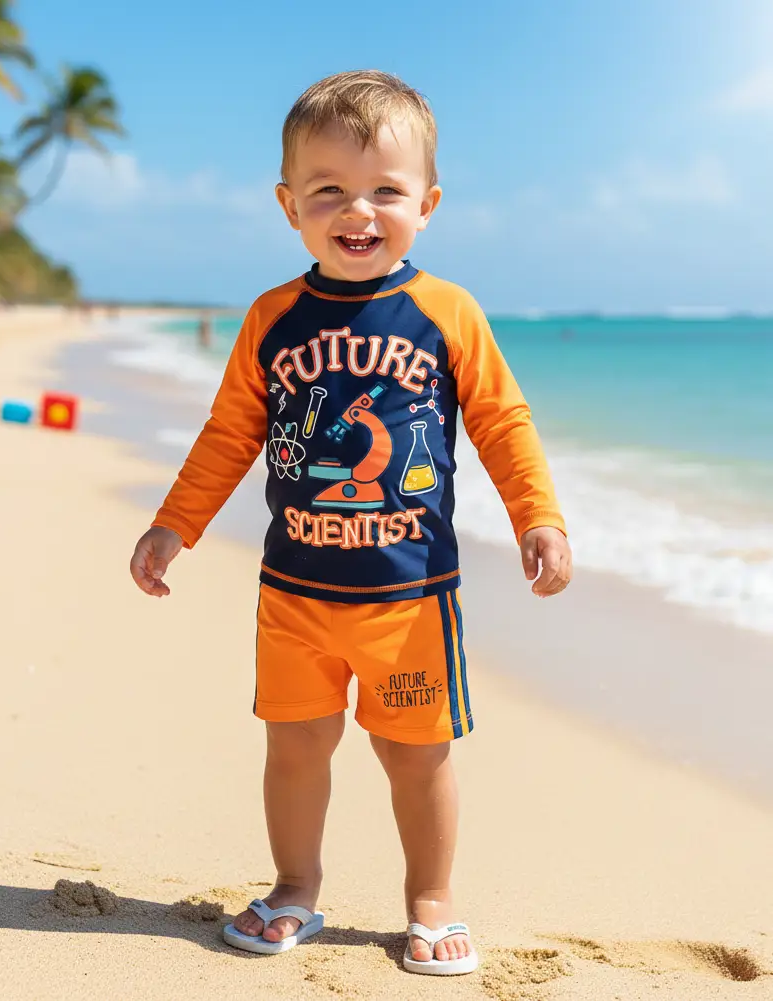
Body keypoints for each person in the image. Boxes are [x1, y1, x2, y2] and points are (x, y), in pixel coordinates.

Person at [130, 70, 572, 976]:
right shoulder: (272, 318)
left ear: (427, 203)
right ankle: (295, 887)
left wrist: (538, 515)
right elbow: (230, 435)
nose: (356, 209)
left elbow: (499, 421)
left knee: (417, 758)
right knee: (295, 749)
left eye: (384, 190)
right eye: (327, 189)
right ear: (289, 203)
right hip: (294, 594)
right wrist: (175, 523)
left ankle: (430, 901)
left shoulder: (447, 313)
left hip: (410, 601)